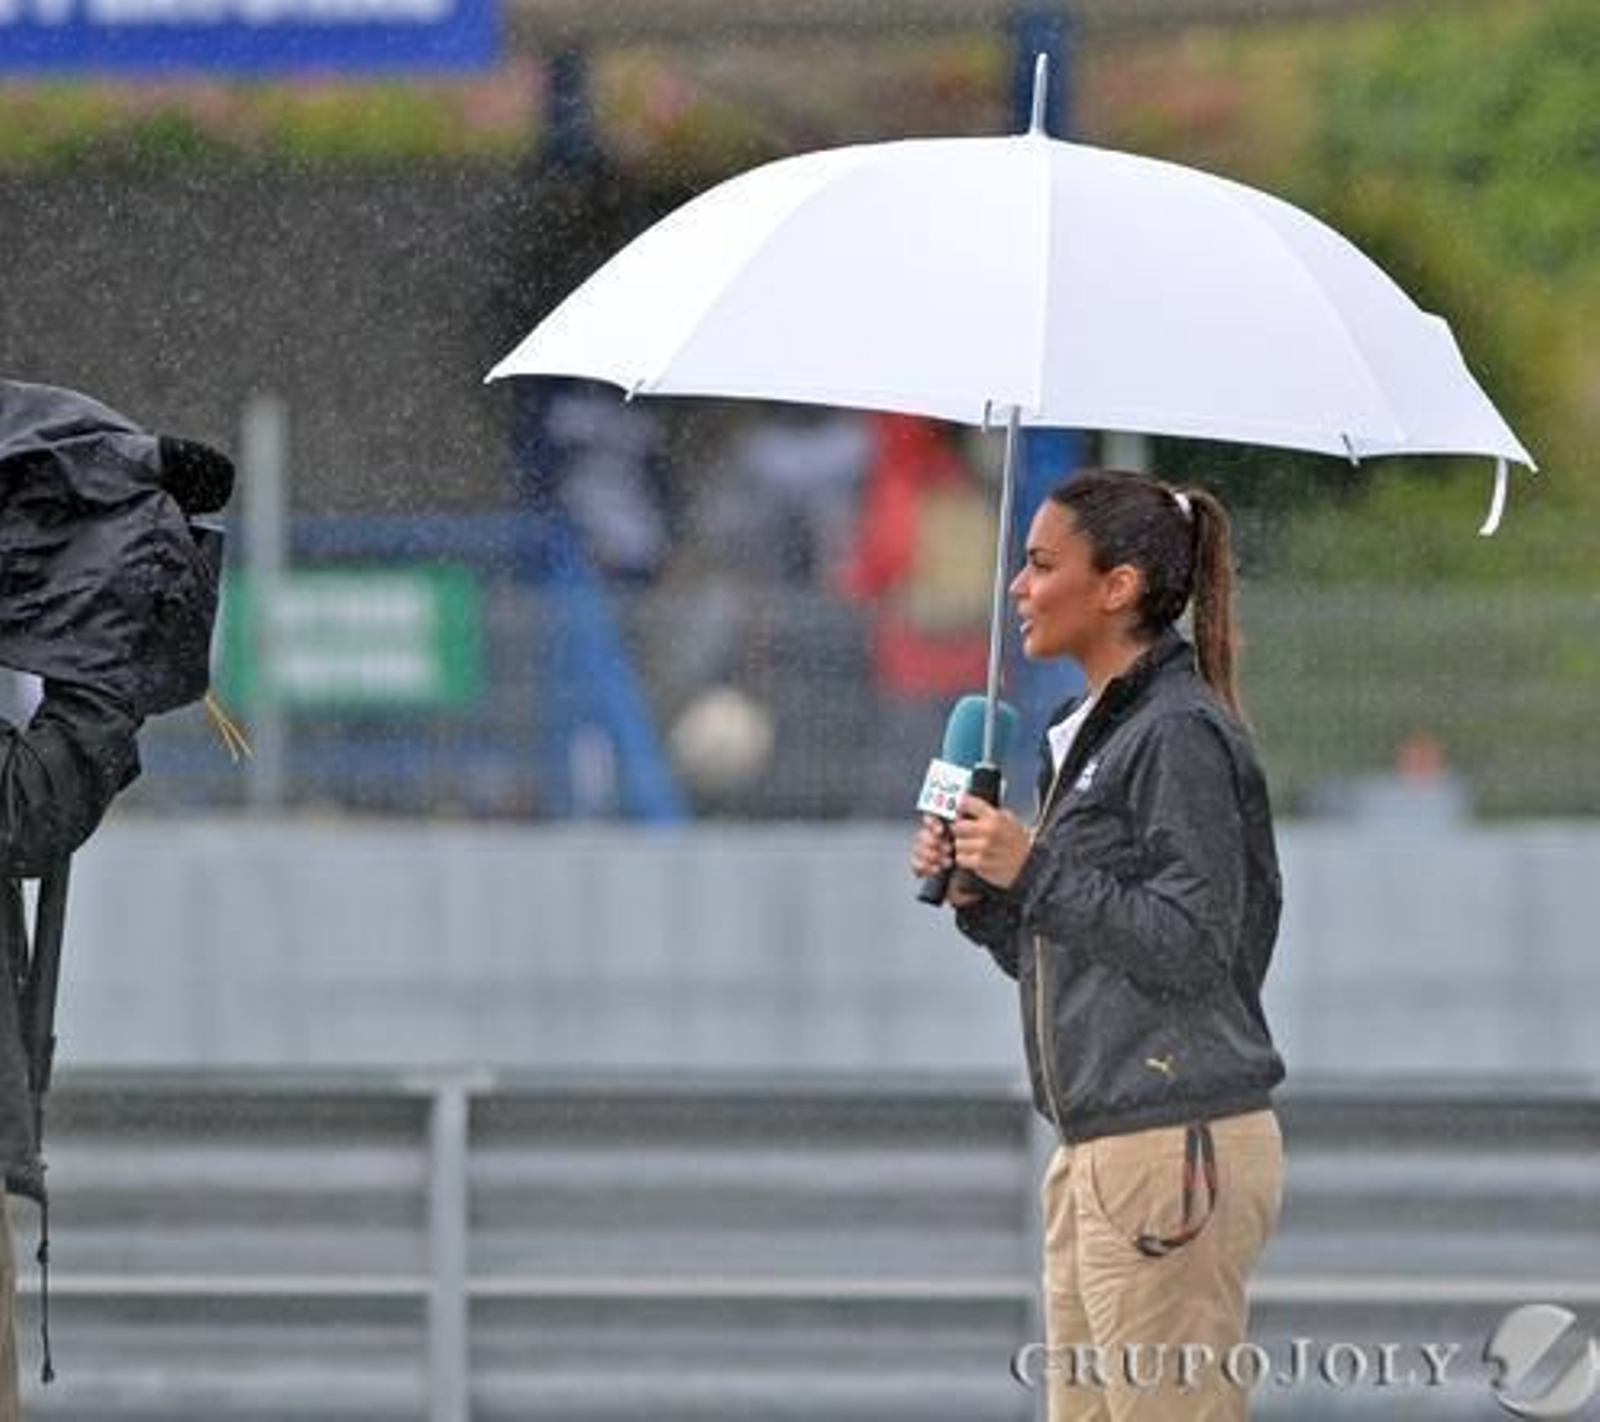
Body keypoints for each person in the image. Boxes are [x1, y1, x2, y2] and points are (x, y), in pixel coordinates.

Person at [911, 469, 1285, 1421]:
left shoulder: (1178, 735)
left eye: (1041, 565)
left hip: (1169, 1143)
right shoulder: (1097, 735)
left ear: (1116, 587)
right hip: (1102, 1143)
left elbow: (1196, 946)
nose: (1017, 587)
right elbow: (1082, 956)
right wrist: (982, 894)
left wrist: (1031, 871)